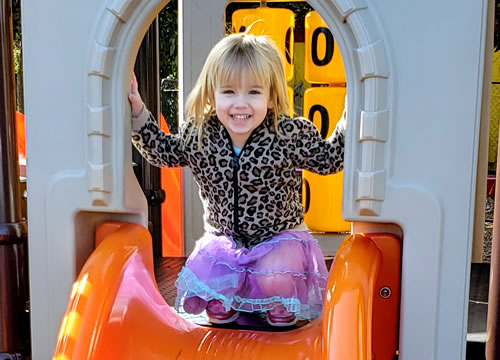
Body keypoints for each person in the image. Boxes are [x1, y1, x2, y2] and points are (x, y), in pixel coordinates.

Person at [128, 33, 346, 327]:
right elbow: (162, 152)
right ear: (212, 94)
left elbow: (328, 159)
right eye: (229, 92)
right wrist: (138, 113)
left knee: (276, 276)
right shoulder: (200, 135)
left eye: (254, 93)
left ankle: (276, 300)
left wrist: (350, 116)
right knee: (214, 270)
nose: (240, 104)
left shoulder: (288, 134)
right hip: (225, 240)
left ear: (271, 97)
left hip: (278, 238)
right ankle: (229, 298)